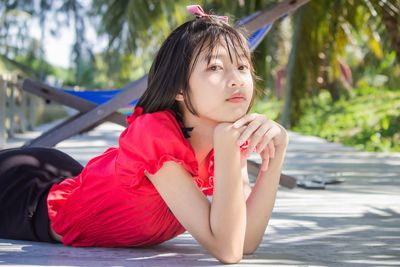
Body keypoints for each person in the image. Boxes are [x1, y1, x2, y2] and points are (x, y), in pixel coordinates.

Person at [0, 5, 288, 264]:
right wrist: (228, 149)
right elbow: (227, 251)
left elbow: (245, 241)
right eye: (215, 67)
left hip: (69, 179)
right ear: (177, 89)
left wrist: (274, 157)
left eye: (242, 66)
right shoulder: (156, 137)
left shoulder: (228, 141)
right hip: (24, 197)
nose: (236, 78)